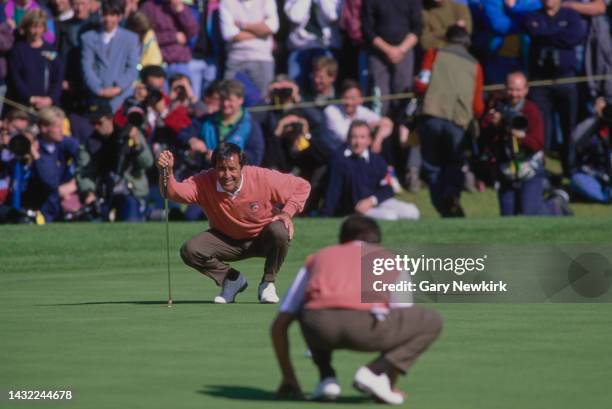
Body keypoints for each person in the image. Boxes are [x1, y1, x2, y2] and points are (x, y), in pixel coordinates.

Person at [271, 215, 442, 403]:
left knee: (308, 306)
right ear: (376, 241)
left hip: (320, 328)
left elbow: (280, 323)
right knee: (432, 320)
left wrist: (289, 377)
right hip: (369, 329)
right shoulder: (390, 259)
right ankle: (374, 373)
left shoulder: (318, 258)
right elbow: (401, 316)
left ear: (342, 240)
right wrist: (389, 384)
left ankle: (327, 379)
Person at [156, 143, 311, 304]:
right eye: (221, 169)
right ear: (214, 168)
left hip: (263, 239)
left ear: (242, 167)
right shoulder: (203, 181)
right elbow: (173, 193)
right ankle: (232, 280)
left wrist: (287, 213)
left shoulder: (262, 177)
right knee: (191, 249)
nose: (227, 174)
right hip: (226, 240)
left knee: (280, 229)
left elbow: (302, 186)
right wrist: (166, 172)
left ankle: (268, 283)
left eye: (232, 168)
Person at [414, 25, 484, 217]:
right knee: (454, 163)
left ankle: (443, 209)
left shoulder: (434, 54)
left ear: (447, 39)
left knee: (432, 166)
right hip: (458, 122)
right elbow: (478, 106)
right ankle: (452, 195)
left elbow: (421, 84)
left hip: (432, 117)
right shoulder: (475, 65)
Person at [480, 71, 570, 216]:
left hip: (530, 168)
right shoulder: (498, 107)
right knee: (508, 217)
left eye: (518, 90)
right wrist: (494, 124)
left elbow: (538, 144)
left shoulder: (531, 110)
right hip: (506, 169)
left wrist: (520, 136)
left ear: (526, 90)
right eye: (510, 89)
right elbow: (484, 135)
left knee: (530, 214)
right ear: (505, 88)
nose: (514, 94)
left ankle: (555, 206)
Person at [524, 0, 587, 176]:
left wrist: (546, 36)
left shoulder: (571, 16)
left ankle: (570, 168)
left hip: (565, 79)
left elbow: (575, 36)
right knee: (541, 126)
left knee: (569, 127)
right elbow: (533, 32)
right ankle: (540, 169)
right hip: (540, 81)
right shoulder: (533, 16)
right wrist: (558, 35)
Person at [321, 120, 419, 220]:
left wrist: (372, 200)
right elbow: (333, 191)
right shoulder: (339, 160)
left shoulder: (377, 160)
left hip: (376, 201)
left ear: (369, 140)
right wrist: (326, 215)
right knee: (389, 217)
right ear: (348, 139)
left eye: (362, 137)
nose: (358, 142)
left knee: (412, 212)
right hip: (354, 210)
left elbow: (389, 187)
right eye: (354, 137)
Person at [76, 100, 154, 221]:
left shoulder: (129, 135)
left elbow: (148, 163)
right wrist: (88, 192)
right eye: (93, 123)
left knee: (131, 219)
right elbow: (85, 172)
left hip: (131, 190)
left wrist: (137, 145)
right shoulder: (90, 143)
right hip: (105, 192)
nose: (96, 126)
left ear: (110, 118)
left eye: (99, 122)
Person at [361, 0, 422, 116]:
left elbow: (417, 28)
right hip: (378, 53)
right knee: (380, 98)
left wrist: (401, 50)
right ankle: (381, 129)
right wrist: (388, 50)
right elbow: (367, 30)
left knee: (403, 95)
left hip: (405, 51)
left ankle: (401, 129)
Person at [80, 0, 140, 112]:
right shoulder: (88, 38)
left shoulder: (131, 39)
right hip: (96, 97)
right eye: (105, 14)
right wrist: (98, 90)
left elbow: (132, 68)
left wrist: (118, 88)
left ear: (119, 17)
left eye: (112, 15)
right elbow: (87, 67)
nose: (108, 19)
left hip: (122, 98)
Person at [219, 0, 279, 95]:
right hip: (235, 59)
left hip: (262, 58)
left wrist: (243, 25)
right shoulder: (226, 2)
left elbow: (272, 27)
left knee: (262, 102)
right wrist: (261, 32)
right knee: (228, 98)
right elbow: (229, 34)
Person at [8, 9, 63, 109]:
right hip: (24, 105)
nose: (36, 31)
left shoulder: (51, 51)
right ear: (27, 27)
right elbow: (15, 78)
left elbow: (58, 78)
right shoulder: (18, 50)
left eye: (40, 27)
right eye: (33, 27)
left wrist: (50, 99)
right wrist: (30, 98)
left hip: (48, 106)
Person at [324, 79, 393, 154]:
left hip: (356, 152)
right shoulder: (331, 111)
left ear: (361, 100)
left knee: (384, 140)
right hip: (336, 154)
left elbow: (388, 123)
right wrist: (368, 127)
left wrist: (378, 140)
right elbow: (347, 137)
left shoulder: (361, 110)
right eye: (345, 98)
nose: (349, 102)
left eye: (353, 98)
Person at [569, 97, 612, 204]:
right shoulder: (594, 126)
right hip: (596, 176)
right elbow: (575, 139)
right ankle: (606, 197)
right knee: (577, 180)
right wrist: (596, 117)